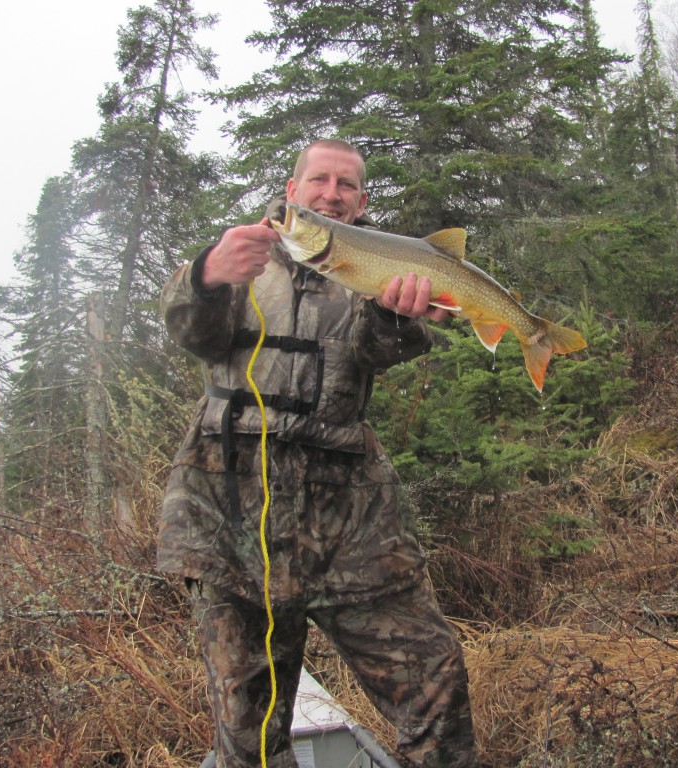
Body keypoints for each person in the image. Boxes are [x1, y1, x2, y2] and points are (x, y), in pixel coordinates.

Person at [157, 138, 478, 768]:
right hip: (230, 514)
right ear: (292, 190)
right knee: (247, 727)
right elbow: (192, 333)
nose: (331, 193)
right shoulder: (240, 262)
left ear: (360, 204)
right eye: (319, 181)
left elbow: (378, 352)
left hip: (352, 520)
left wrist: (393, 317)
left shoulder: (372, 270)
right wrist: (205, 274)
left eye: (347, 186)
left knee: (434, 685)